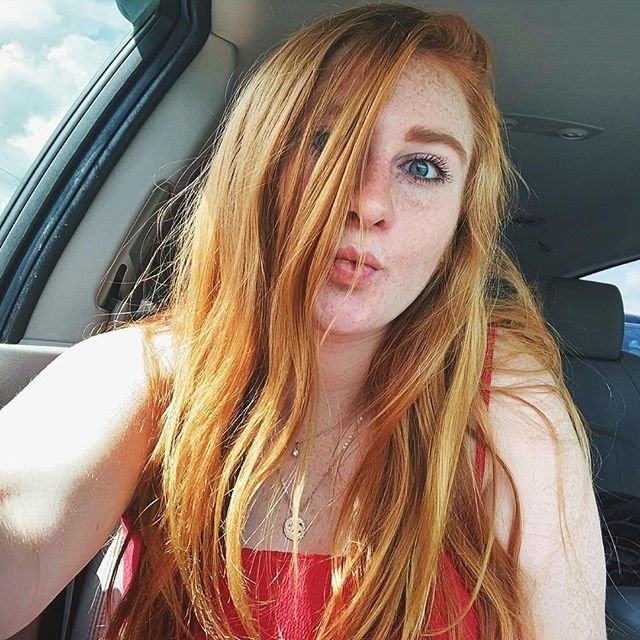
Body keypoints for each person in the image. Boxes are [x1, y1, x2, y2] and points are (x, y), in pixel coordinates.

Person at [0, 4, 606, 639]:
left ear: (459, 224)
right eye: (325, 141)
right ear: (256, 167)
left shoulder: (499, 398)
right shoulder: (151, 373)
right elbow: (22, 507)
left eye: (423, 167)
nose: (368, 201)